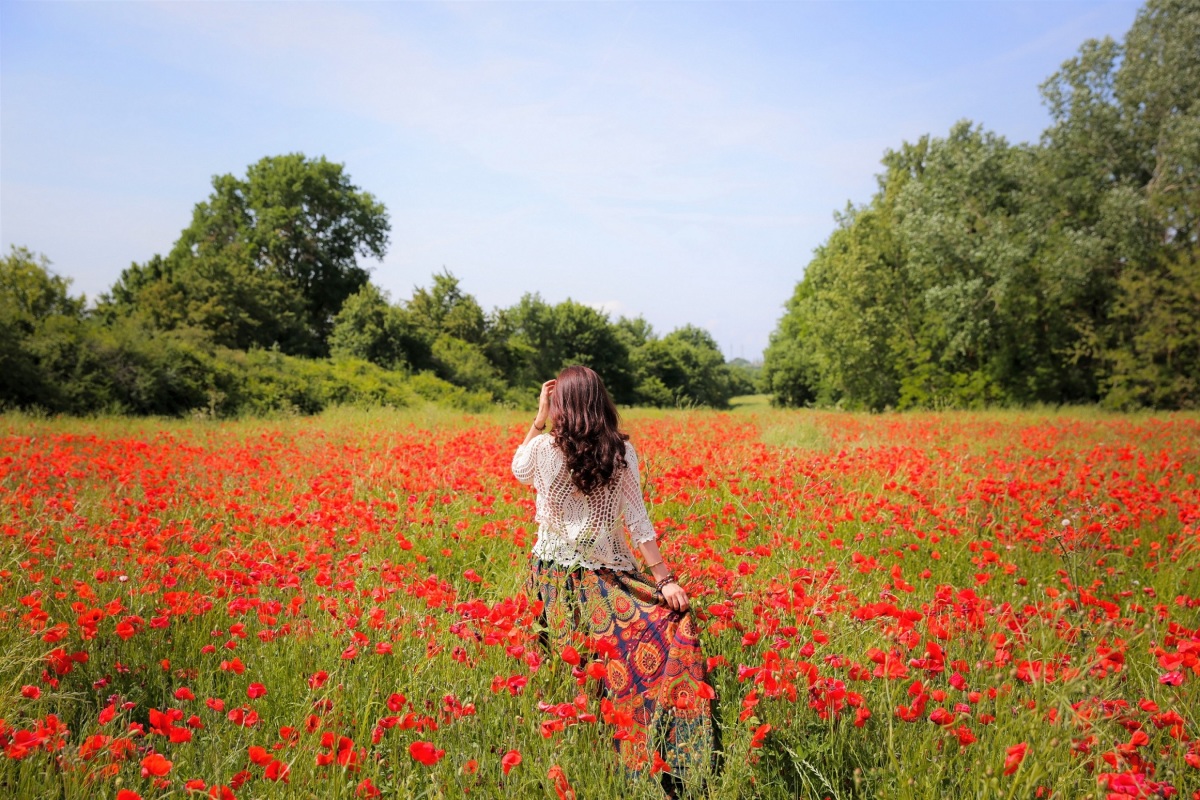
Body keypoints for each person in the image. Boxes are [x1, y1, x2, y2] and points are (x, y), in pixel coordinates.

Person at [512, 365, 715, 795]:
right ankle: (665, 758)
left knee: (571, 671)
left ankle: (594, 751)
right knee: (619, 661)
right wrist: (665, 581)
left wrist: (538, 418)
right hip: (606, 579)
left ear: (561, 404)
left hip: (551, 580)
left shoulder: (542, 448)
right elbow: (639, 524)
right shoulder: (622, 451)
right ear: (600, 401)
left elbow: (517, 469)